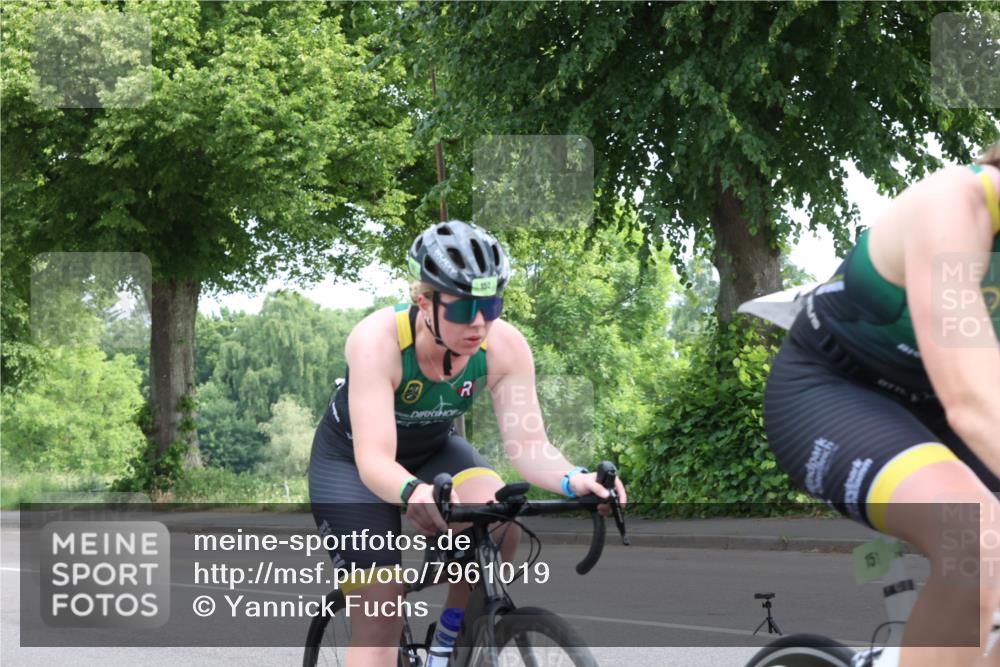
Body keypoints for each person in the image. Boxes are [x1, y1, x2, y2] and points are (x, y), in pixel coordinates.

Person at [309, 220, 627, 667]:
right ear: (424, 302)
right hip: (352, 467)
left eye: (491, 305)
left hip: (434, 451)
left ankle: (448, 645)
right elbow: (375, 459)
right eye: (462, 310)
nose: (479, 323)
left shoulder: (504, 346)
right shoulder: (376, 342)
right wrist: (414, 492)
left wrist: (576, 480)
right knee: (380, 618)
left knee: (501, 520)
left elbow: (529, 444)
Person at [764, 143, 1000, 667]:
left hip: (932, 407)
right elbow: (974, 401)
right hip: (833, 391)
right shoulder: (958, 203)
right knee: (978, 543)